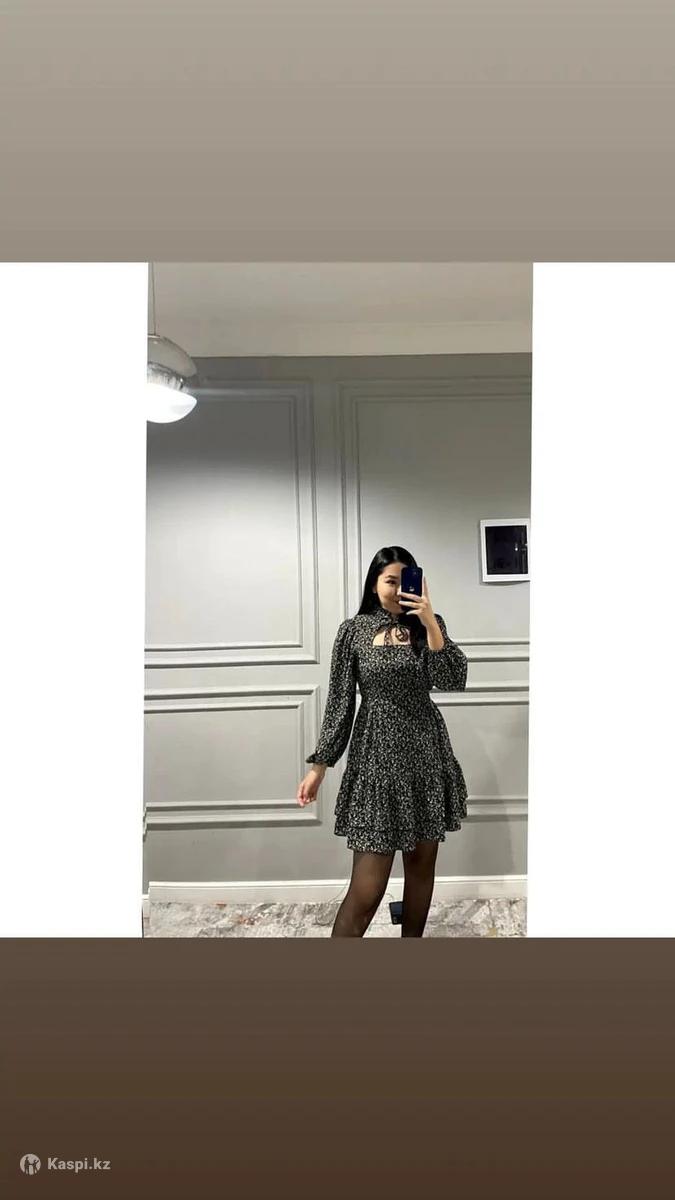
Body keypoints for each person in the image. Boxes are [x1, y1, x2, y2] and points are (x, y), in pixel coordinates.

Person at [296, 545, 469, 937]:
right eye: (390, 581)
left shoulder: (429, 625)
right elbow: (340, 701)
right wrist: (319, 767)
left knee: (421, 869)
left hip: (426, 754)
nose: (397, 589)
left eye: (405, 581)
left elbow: (452, 679)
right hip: (375, 759)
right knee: (366, 889)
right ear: (374, 584)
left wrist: (430, 622)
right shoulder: (353, 631)